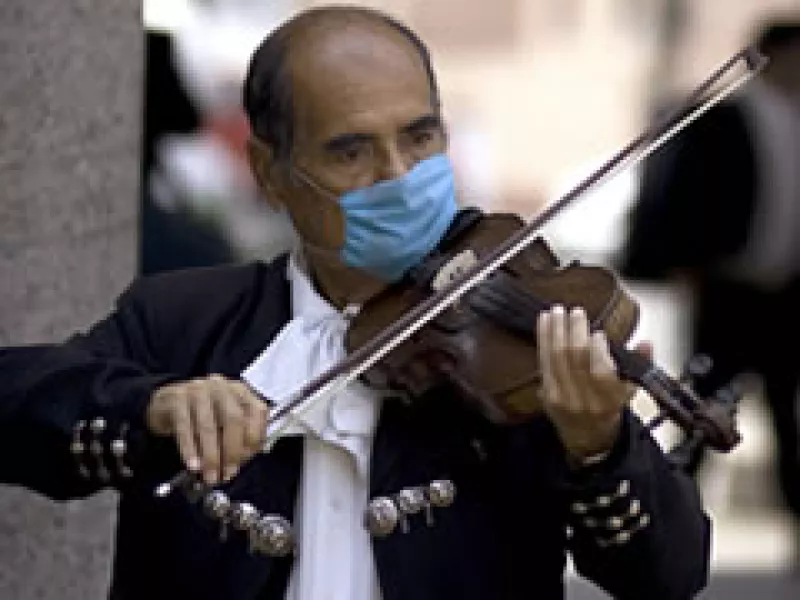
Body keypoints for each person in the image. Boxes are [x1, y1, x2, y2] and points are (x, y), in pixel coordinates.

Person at [0, 6, 711, 599]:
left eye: (419, 137)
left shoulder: (519, 360)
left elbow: (669, 576)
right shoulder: (184, 320)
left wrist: (598, 447)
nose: (398, 175)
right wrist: (150, 407)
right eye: (351, 152)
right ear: (270, 172)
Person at [619, 17, 800, 566]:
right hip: (729, 295)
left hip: (787, 297)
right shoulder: (720, 121)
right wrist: (686, 268)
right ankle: (665, 532)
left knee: (788, 423)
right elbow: (682, 200)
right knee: (700, 414)